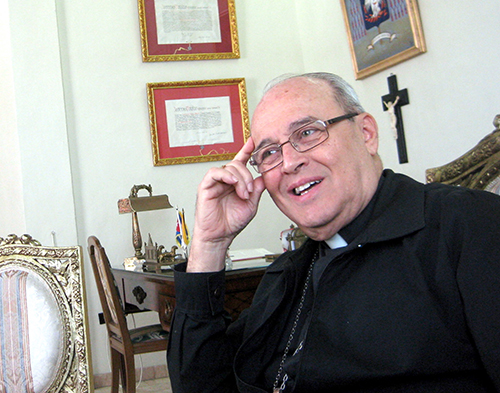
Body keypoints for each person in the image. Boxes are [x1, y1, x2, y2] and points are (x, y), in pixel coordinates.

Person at [167, 72, 500, 392]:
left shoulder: (470, 225)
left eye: (307, 133)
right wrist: (209, 245)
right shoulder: (288, 273)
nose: (288, 162)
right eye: (268, 153)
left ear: (366, 132)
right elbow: (202, 385)